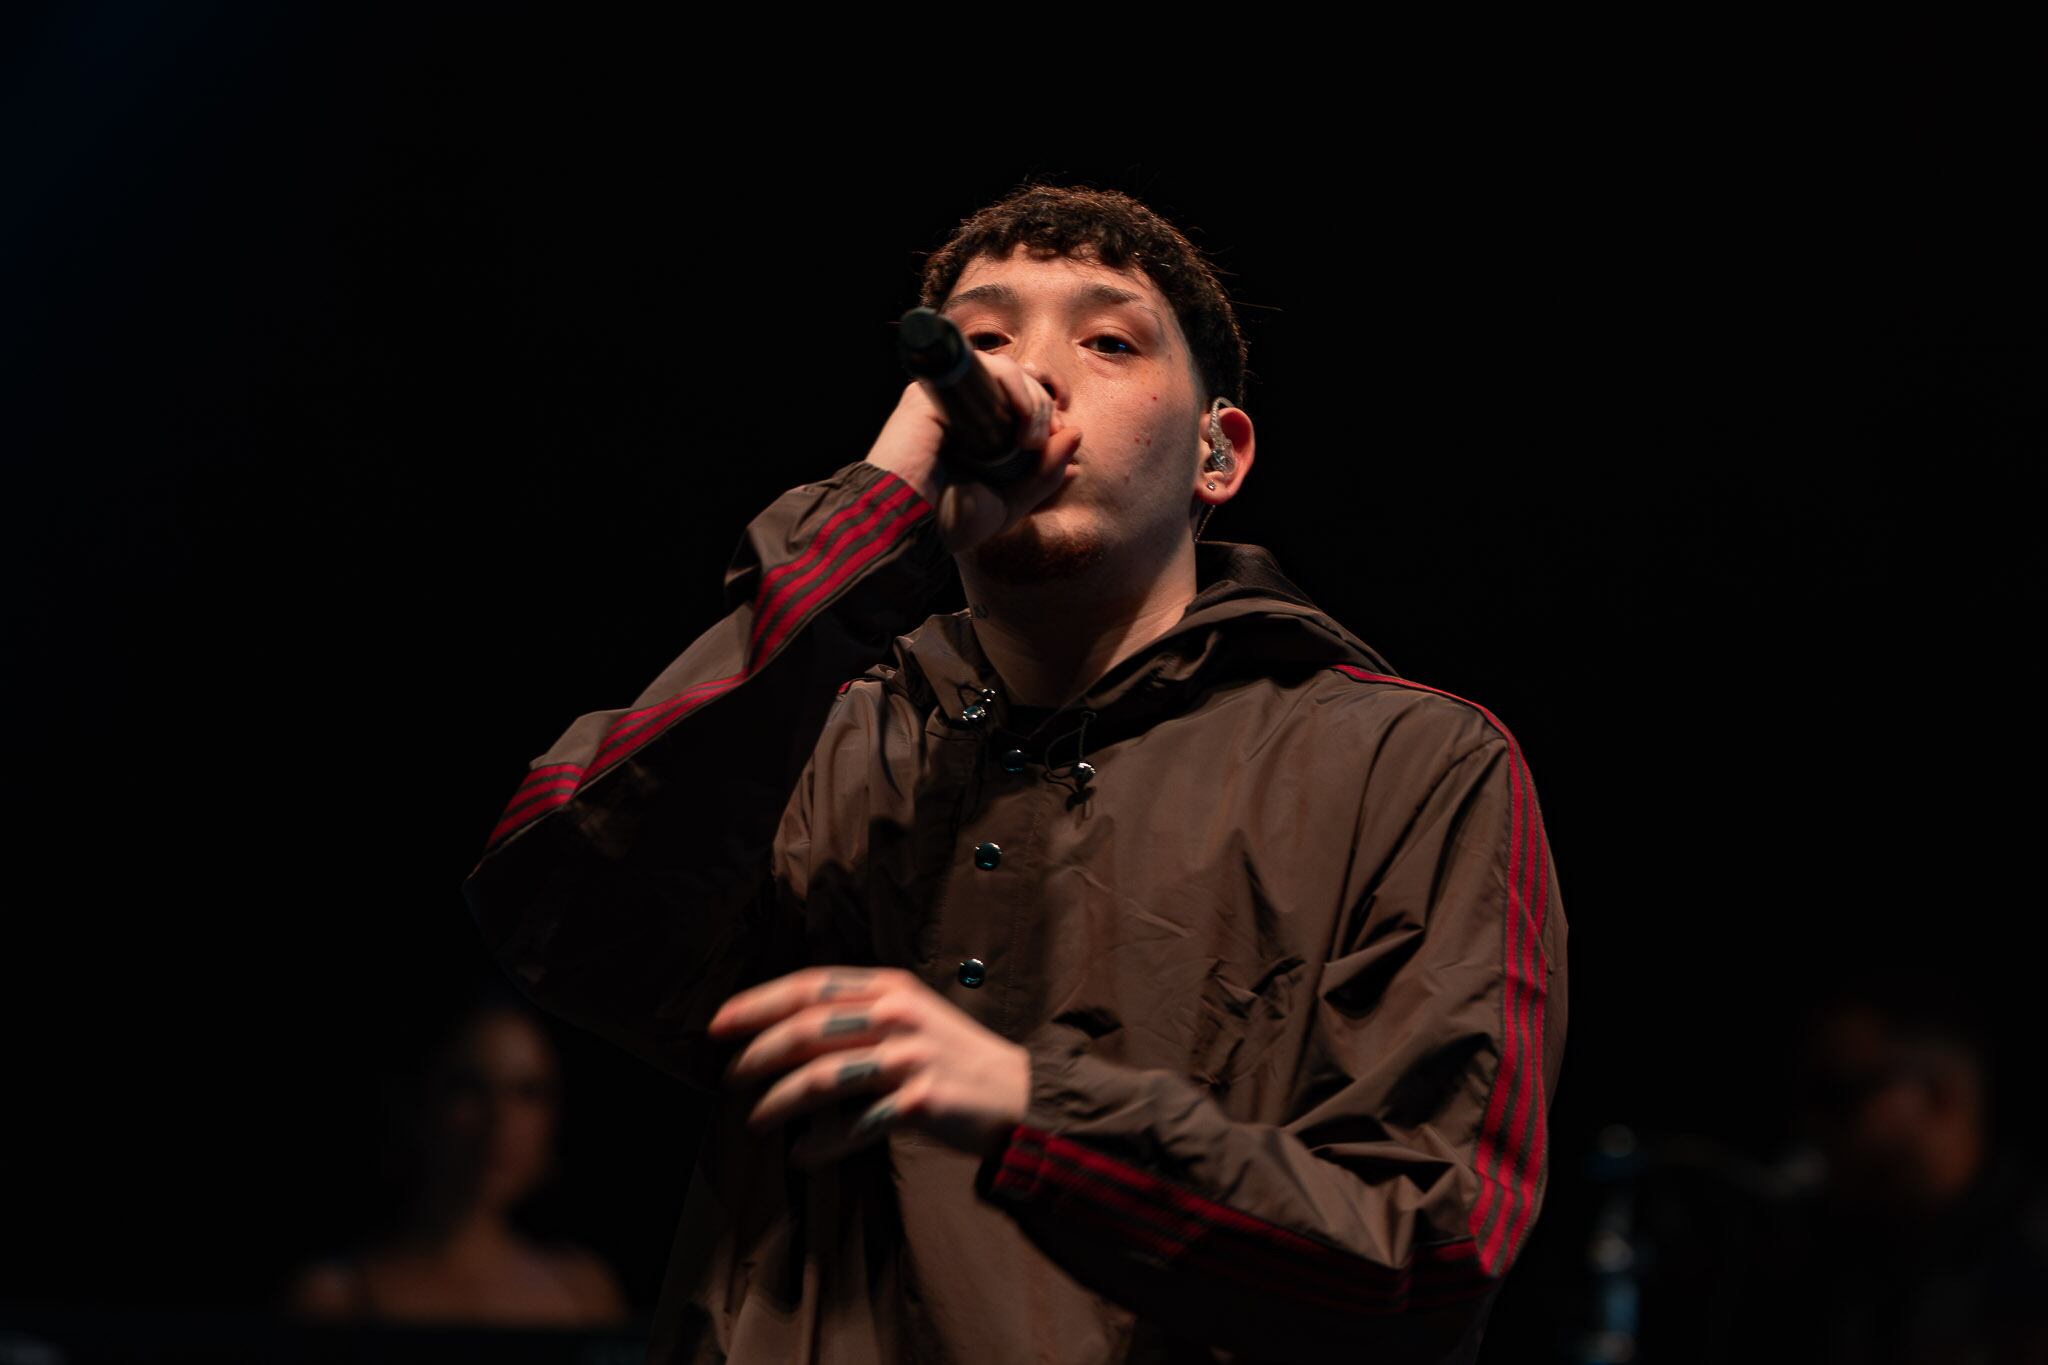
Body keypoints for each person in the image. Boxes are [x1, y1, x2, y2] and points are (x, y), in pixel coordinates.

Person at [464, 183, 1569, 1363]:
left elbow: (1427, 1250)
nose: (1030, 379)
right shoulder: (819, 732)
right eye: (984, 341)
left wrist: (1033, 1110)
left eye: (1107, 342)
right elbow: (561, 903)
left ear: (1218, 452)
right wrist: (872, 520)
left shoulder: (1410, 764)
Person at [286, 990, 629, 1328]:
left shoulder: (584, 1292)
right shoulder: (339, 1297)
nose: (501, 1121)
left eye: (528, 1091)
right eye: (469, 1087)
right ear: (416, 1102)